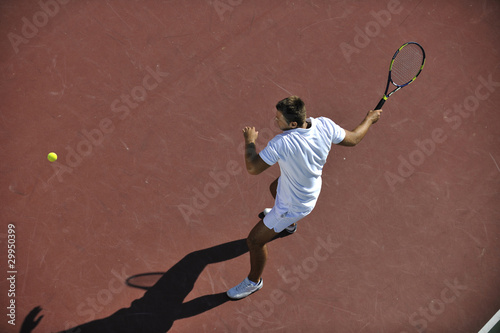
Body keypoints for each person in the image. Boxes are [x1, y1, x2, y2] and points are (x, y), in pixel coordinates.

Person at [226, 96, 382, 300]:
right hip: (309, 188)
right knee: (275, 186)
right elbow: (353, 139)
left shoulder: (282, 143)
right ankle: (289, 226)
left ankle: (253, 282)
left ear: (292, 123)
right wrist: (369, 120)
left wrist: (250, 142)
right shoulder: (324, 124)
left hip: (293, 204)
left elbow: (253, 168)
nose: (275, 122)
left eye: (278, 119)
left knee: (254, 241)